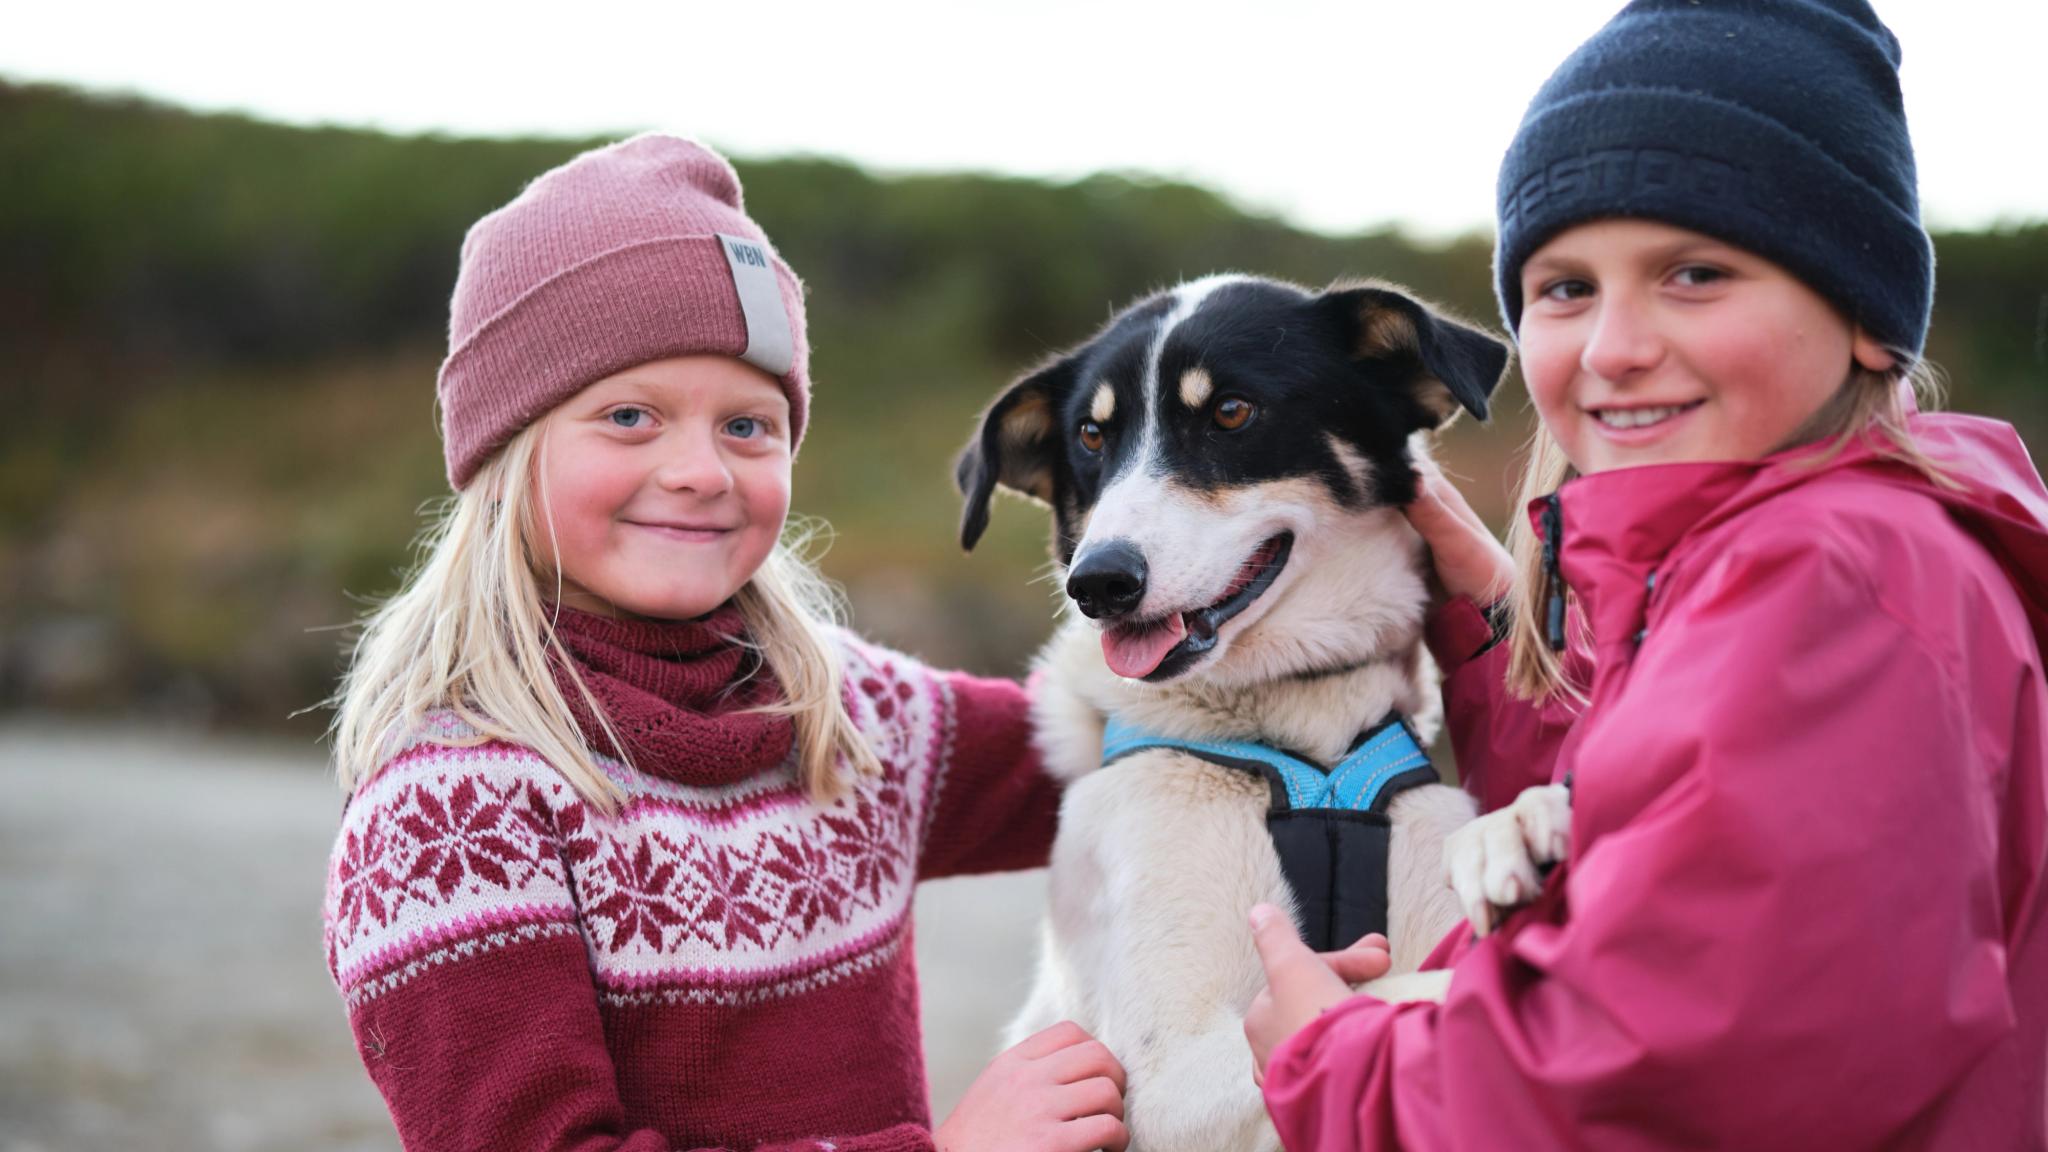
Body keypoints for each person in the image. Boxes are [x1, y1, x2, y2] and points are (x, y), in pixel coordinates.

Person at [1241, 0, 2048, 1147]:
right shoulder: (1825, 548)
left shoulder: (1828, 582)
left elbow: (1666, 1073)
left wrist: (1333, 1063)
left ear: (1867, 314)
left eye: (1694, 273)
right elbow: (1674, 838)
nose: (1613, 347)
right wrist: (1489, 636)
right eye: (1565, 287)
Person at [322, 135, 1128, 1152]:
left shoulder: (847, 718)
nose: (701, 470)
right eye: (628, 416)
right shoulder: (449, 809)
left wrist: (1382, 595)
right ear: (499, 452)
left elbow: (1125, 744)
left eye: (748, 426)